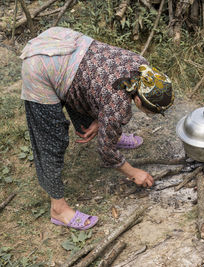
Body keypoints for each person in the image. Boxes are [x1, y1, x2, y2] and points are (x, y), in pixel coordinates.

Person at [20, 27, 174, 230]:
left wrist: (103, 123)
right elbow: (106, 153)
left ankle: (110, 135)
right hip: (41, 67)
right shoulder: (117, 104)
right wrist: (133, 172)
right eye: (153, 111)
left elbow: (100, 88)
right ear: (137, 99)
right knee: (51, 141)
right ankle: (58, 208)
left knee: (95, 100)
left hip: (66, 44)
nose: (154, 115)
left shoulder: (142, 68)